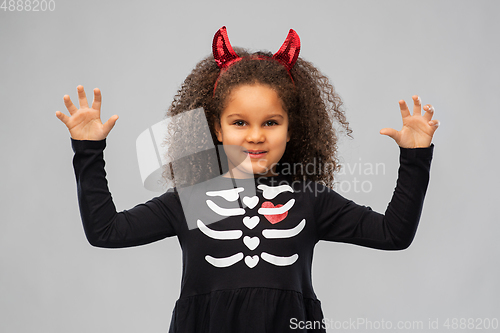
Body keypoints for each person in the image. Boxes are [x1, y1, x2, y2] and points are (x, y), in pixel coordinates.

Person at [55, 26, 439, 332]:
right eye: (239, 123)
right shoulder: (189, 198)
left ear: (292, 130)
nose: (256, 136)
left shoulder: (312, 199)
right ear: (216, 129)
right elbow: (106, 231)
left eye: (271, 123)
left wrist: (415, 157)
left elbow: (393, 234)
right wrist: (88, 150)